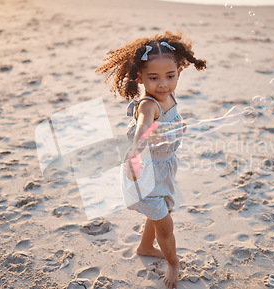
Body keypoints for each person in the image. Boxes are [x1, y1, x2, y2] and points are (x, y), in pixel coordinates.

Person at [96, 31, 206, 289]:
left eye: (170, 76)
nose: (163, 84)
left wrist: (177, 129)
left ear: (179, 71)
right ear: (140, 77)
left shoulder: (168, 98)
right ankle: (173, 262)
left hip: (164, 169)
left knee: (161, 213)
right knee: (166, 225)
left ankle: (145, 246)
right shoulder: (148, 105)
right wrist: (135, 152)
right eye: (153, 78)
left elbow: (165, 126)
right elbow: (144, 127)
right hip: (145, 170)